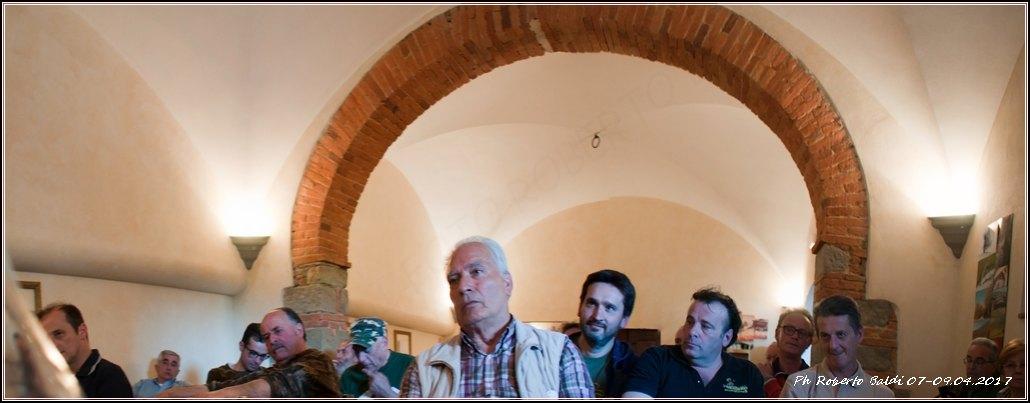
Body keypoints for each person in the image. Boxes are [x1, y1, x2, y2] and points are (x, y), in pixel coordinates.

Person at [400, 236, 594, 398]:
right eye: (454, 280)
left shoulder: (559, 352)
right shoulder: (424, 368)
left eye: (476, 272)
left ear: (507, 283)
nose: (463, 287)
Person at [158, 307, 341, 398]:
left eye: (278, 331)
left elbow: (257, 389)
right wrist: (167, 395)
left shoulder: (318, 362)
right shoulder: (276, 369)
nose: (272, 340)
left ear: (299, 330)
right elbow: (220, 386)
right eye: (267, 336)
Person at [623, 287, 764, 398]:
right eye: (690, 322)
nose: (692, 332)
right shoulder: (657, 359)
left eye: (705, 326)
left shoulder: (748, 374)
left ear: (726, 338)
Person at [781, 295, 894, 398]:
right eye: (825, 336)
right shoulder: (797, 387)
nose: (833, 345)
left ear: (859, 335)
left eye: (841, 335)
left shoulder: (882, 395)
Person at [36, 303, 132, 397]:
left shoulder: (110, 376)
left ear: (82, 331)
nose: (52, 345)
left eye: (58, 334)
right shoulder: (51, 381)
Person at [569, 269, 638, 397]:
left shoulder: (634, 368)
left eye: (609, 308)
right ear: (580, 307)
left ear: (624, 320)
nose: (597, 316)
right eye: (591, 303)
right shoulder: (553, 355)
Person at [338, 317, 415, 398]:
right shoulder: (349, 375)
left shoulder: (411, 366)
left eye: (366, 350)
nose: (361, 358)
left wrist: (388, 393)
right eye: (356, 350)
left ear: (384, 343)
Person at [758, 309, 813, 398]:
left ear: (809, 341)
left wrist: (769, 381)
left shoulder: (814, 381)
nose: (795, 336)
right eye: (789, 330)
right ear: (777, 334)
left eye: (802, 333)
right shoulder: (758, 374)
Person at [937, 337, 1003, 397]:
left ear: (993, 365)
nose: (971, 367)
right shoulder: (957, 387)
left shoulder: (1002, 393)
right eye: (969, 360)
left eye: (979, 362)